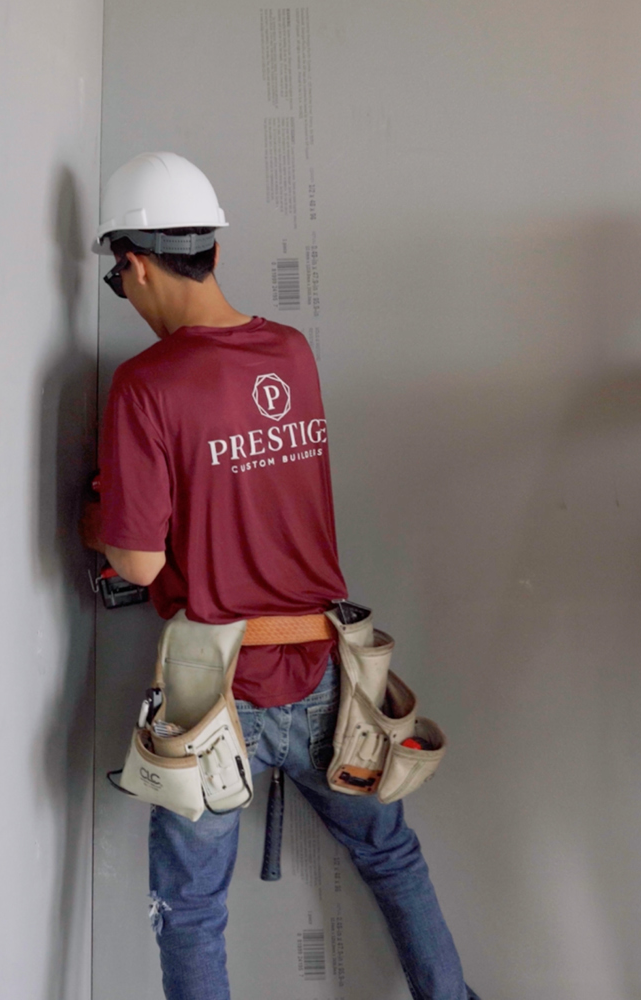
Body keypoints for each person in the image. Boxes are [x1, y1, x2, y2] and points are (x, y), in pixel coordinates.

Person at [84, 151, 478, 1000]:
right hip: (330, 676)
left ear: (136, 264)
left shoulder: (144, 385)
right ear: (215, 251)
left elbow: (139, 561)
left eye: (122, 281)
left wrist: (108, 511)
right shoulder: (291, 353)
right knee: (391, 856)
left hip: (216, 691)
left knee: (191, 909)